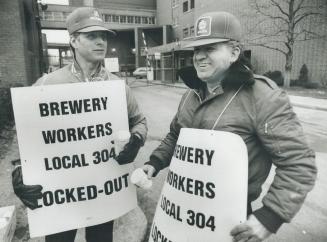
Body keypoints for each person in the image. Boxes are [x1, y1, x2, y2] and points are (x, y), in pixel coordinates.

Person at [141, 11, 317, 242]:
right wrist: (153, 163)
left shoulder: (262, 96)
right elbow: (175, 136)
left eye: (210, 48)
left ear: (234, 52)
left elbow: (299, 164)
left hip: (229, 221)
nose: (199, 57)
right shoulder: (191, 94)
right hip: (180, 210)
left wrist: (270, 217)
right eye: (196, 50)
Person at [11, 7, 147, 242]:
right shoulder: (47, 84)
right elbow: (27, 135)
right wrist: (18, 170)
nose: (100, 42)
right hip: (61, 193)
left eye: (103, 36)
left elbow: (139, 122)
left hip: (103, 190)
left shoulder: (116, 86)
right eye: (91, 36)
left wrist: (136, 139)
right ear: (73, 40)